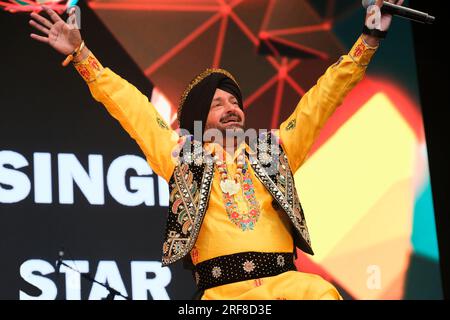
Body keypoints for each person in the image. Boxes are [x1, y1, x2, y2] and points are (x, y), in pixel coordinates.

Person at [28, 1, 404, 300]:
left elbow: (323, 99)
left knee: (323, 295)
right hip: (222, 297)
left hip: (290, 288)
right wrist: (81, 55)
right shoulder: (180, 156)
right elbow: (131, 107)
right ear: (196, 118)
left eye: (235, 101)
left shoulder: (273, 150)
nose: (232, 107)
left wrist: (368, 39)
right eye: (218, 103)